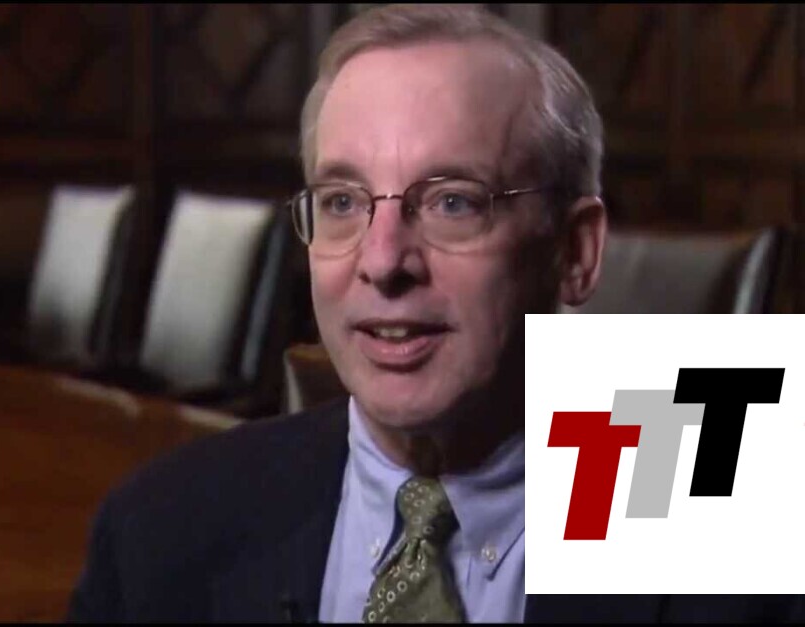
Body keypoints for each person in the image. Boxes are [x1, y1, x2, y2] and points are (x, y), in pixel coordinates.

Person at [66, 4, 805, 623]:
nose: (383, 260)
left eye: (453, 201)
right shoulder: (157, 531)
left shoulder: (747, 513)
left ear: (575, 251)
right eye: (342, 202)